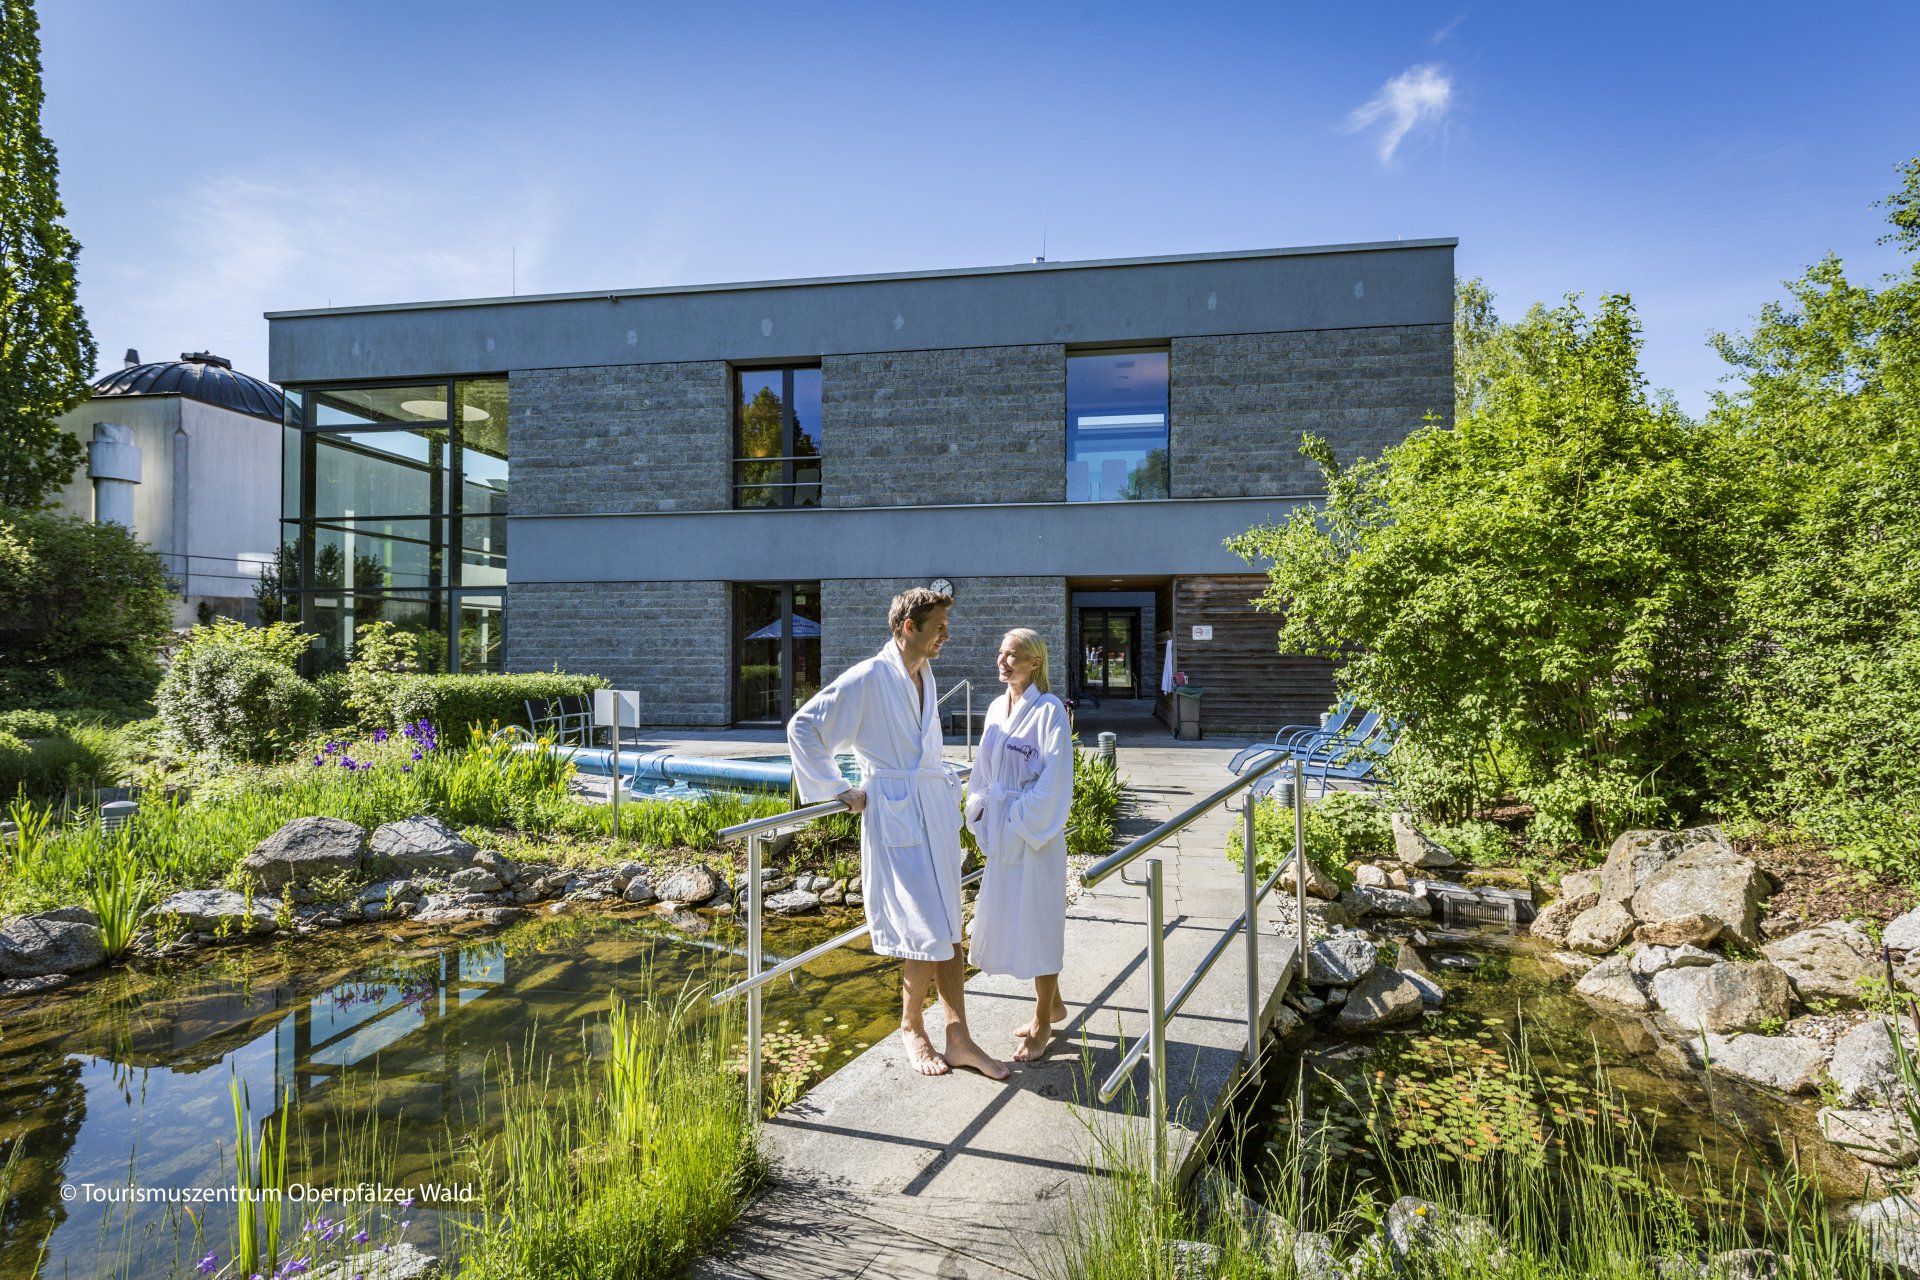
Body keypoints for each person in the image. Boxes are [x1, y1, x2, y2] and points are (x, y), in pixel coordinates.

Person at [786, 587, 1009, 1080]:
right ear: (908, 627)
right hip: (897, 816)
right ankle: (911, 1027)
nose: (945, 637)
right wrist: (837, 788)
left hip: (930, 811)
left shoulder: (923, 675)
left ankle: (958, 1036)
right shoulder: (869, 677)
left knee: (949, 927)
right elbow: (803, 726)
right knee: (924, 927)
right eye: (938, 629)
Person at [965, 628, 1074, 1061]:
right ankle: (1057, 1003)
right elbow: (982, 771)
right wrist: (978, 808)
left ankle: (1043, 1022)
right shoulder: (995, 707)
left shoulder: (1049, 711)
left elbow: (1056, 778)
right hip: (1005, 834)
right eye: (1001, 653)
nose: (1003, 661)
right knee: (1021, 921)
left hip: (1035, 837)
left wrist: (1019, 818)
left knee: (1041, 924)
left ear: (1034, 663)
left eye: (1013, 655)